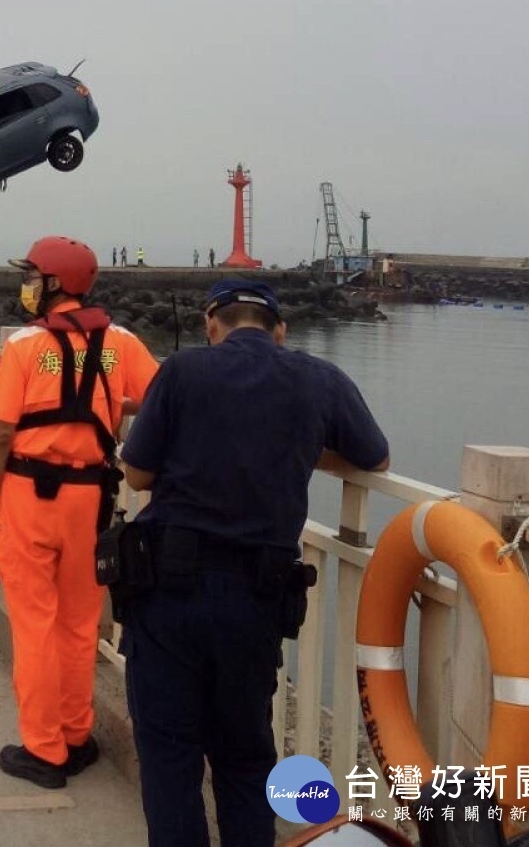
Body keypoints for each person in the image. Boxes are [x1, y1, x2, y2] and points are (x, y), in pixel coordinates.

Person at [117, 280, 390, 847]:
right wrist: (293, 446)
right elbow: (377, 457)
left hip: (168, 594)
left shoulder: (184, 371)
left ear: (211, 324)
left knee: (171, 759)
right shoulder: (320, 378)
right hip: (257, 599)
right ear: (281, 331)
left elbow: (138, 474)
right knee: (245, 759)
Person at [0, 236, 159, 789]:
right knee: (80, 624)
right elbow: (155, 397)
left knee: (34, 625)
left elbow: (3, 432)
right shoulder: (118, 340)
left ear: (54, 284)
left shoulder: (28, 345)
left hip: (31, 495)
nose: (25, 285)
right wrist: (110, 402)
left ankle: (43, 749)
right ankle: (77, 735)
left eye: (32, 276)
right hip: (92, 498)